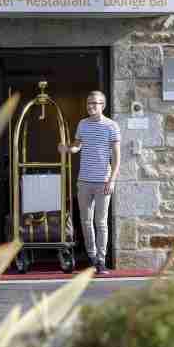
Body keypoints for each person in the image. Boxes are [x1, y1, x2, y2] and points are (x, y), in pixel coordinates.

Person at [59, 91, 121, 274]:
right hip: (84, 181)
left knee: (100, 222)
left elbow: (117, 158)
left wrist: (112, 180)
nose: (91, 106)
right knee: (86, 221)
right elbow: (78, 146)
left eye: (94, 103)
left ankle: (101, 260)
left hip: (103, 182)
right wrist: (68, 149)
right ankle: (92, 257)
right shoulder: (83, 124)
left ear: (103, 105)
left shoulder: (112, 126)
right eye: (88, 103)